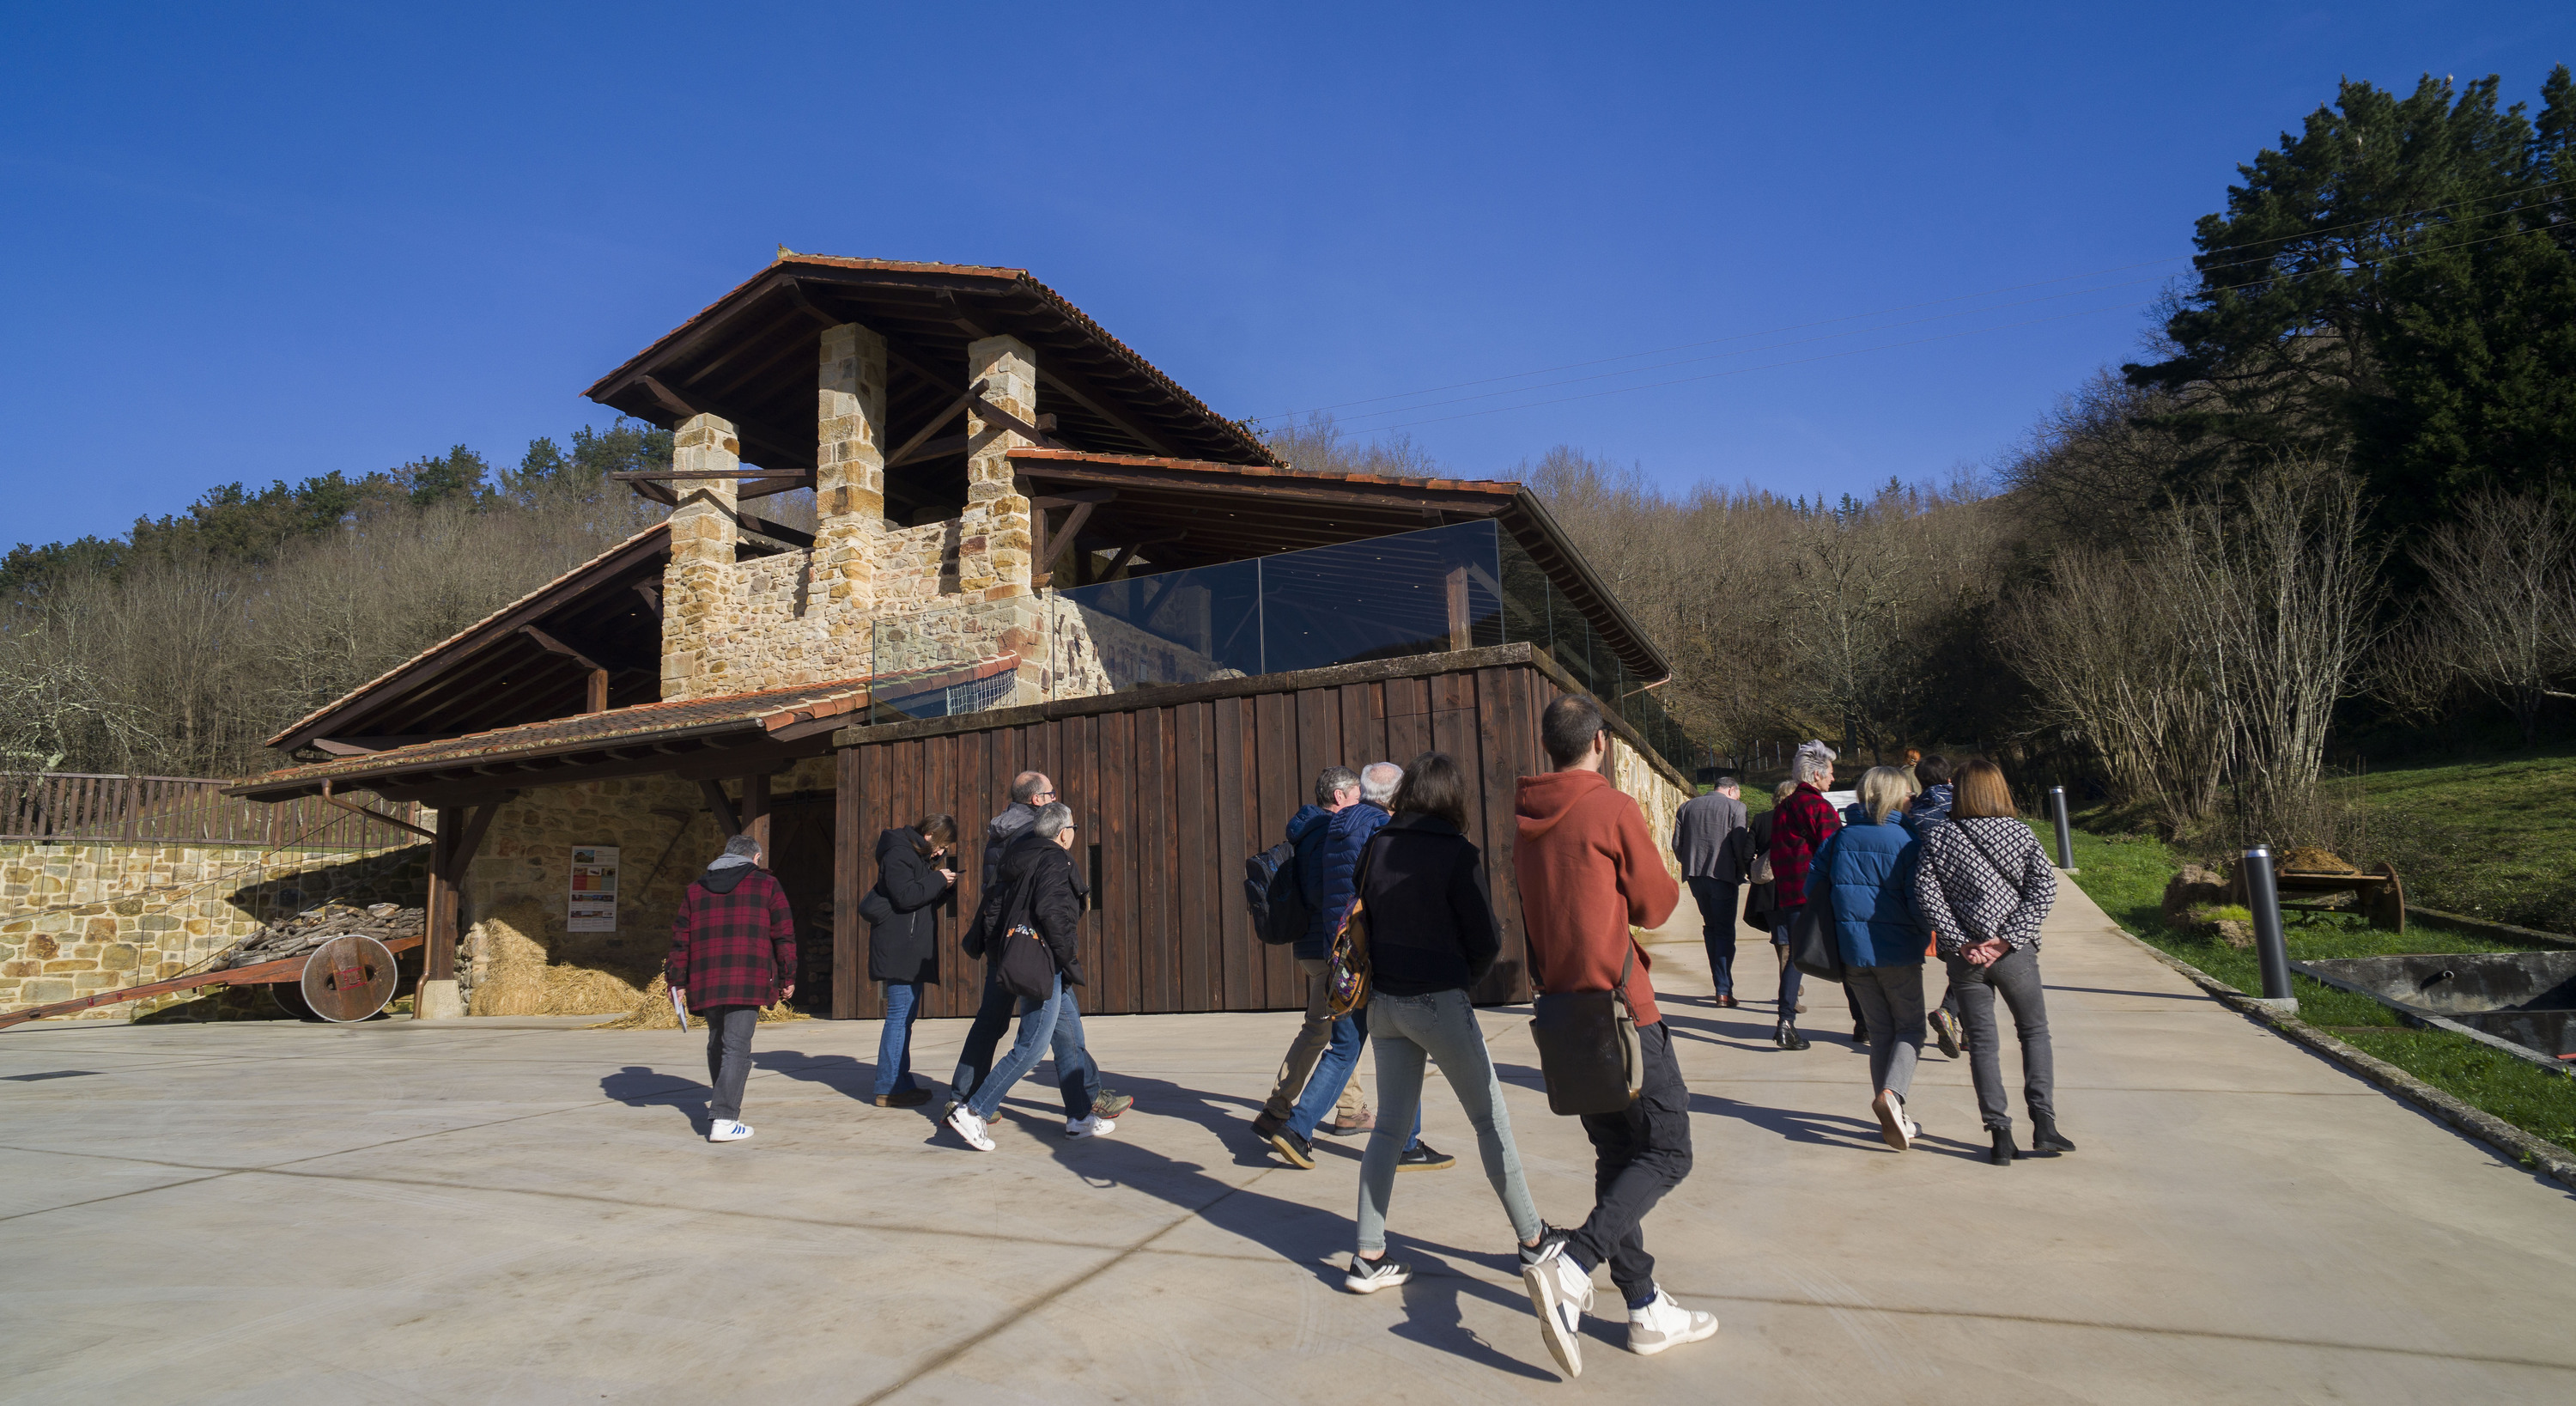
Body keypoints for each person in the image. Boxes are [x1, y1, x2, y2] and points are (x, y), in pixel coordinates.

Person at [1516, 695, 1718, 1376]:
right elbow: (1659, 904)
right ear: (1599, 742)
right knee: (1668, 1150)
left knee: (1615, 1153)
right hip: (1624, 1010)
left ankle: (1644, 1308)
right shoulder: (1613, 808)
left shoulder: (1525, 822)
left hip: (1565, 1013)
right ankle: (1573, 1266)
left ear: (1551, 745)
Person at [1341, 752, 1549, 1293]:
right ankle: (1533, 1239)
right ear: (1453, 796)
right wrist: (1463, 980)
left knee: (1388, 1128)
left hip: (1383, 1004)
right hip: (1439, 1000)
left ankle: (1368, 1254)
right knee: (1490, 1122)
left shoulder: (1377, 845)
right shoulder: (1458, 853)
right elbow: (1485, 940)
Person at [1265, 761, 1445, 1172]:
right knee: (1406, 1045)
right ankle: (1405, 1144)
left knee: (1344, 1047)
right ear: (1396, 798)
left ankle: (1296, 1128)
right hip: (1378, 958)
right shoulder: (1383, 831)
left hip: (1343, 956)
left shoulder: (1336, 828)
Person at [1912, 758, 2075, 1166]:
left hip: (1965, 959)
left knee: (1983, 1043)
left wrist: (1962, 942)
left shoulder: (1941, 836)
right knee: (2034, 1032)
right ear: (1999, 789)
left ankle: (1999, 1134)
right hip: (2014, 954)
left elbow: (1927, 895)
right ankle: (2044, 1123)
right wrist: (2007, 939)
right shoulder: (2020, 833)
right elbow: (2044, 888)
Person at [946, 772, 1132, 1129]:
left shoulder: (1001, 830)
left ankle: (963, 1097)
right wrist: (1065, 955)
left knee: (995, 1021)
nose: (1054, 797)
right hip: (1031, 946)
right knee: (1048, 1034)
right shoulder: (1036, 835)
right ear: (1038, 800)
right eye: (1052, 793)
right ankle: (1083, 1100)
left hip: (1004, 938)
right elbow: (1046, 904)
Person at [1806, 767, 1929, 1152]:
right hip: (1898, 950)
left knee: (1880, 1034)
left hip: (1852, 952)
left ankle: (1894, 1114)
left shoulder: (1839, 837)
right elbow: (1917, 901)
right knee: (1911, 1029)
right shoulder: (1908, 840)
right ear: (1897, 796)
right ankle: (1892, 1096)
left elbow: (1814, 886)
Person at [1252, 767, 1373, 1143]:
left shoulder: (1308, 831)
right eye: (1357, 795)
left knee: (1338, 1025)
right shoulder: (1328, 833)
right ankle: (1278, 1107)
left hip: (1311, 947)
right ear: (1339, 797)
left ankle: (1350, 1110)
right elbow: (1328, 897)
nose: (1361, 803)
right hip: (1326, 947)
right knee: (1325, 1029)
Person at [666, 833, 795, 1144]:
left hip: (707, 978)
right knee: (737, 1046)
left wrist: (677, 981)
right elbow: (784, 934)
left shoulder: (695, 889)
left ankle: (721, 1103)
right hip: (749, 977)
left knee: (717, 1041)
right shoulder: (766, 885)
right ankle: (725, 1118)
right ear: (754, 858)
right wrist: (787, 976)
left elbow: (680, 940)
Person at [866, 813, 957, 1109]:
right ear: (929, 834)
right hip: (899, 947)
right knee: (900, 1017)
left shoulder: (915, 856)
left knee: (904, 1018)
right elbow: (905, 897)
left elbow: (918, 901)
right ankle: (890, 1087)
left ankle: (900, 1083)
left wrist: (942, 886)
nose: (942, 853)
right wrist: (937, 879)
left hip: (908, 946)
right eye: (942, 845)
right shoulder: (899, 853)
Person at [1766, 741, 1843, 1050]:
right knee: (1844, 955)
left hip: (1790, 893)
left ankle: (1785, 1021)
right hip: (1819, 894)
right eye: (1830, 773)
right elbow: (1835, 852)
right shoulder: (1819, 808)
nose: (1833, 779)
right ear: (1816, 776)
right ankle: (1863, 1021)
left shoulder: (1783, 808)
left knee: (1797, 959)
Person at [1671, 773, 1752, 1007]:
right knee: (1725, 930)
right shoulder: (1736, 808)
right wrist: (1743, 869)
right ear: (1731, 790)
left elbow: (1677, 845)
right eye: (1738, 794)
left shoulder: (1686, 807)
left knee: (1711, 927)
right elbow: (1739, 844)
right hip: (1723, 875)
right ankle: (1723, 990)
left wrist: (1690, 863)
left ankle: (1721, 985)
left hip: (1696, 876)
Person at [1908, 753, 1966, 1060]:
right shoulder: (1962, 805)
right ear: (1949, 777)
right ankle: (1949, 1012)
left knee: (1958, 959)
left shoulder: (1913, 810)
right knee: (1973, 961)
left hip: (1927, 896)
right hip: (1961, 893)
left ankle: (1966, 1029)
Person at [1738, 780, 1795, 955]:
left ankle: (1791, 982)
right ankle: (1791, 983)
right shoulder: (1797, 819)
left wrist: (1756, 874)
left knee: (1782, 943)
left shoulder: (1761, 820)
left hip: (1767, 892)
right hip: (1794, 888)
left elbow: (1747, 854)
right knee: (1793, 945)